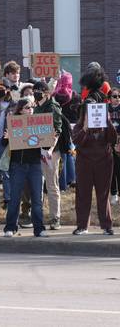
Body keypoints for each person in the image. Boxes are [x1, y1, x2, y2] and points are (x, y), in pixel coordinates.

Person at [2, 98, 47, 238]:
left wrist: (48, 137)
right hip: (18, 165)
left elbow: (45, 145)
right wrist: (8, 137)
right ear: (20, 110)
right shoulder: (13, 123)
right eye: (27, 108)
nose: (30, 110)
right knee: (15, 197)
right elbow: (4, 144)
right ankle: (10, 227)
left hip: (35, 164)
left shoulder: (39, 123)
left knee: (37, 198)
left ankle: (39, 229)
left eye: (31, 107)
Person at [72, 100, 118, 235]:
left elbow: (113, 138)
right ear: (84, 113)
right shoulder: (79, 126)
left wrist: (108, 121)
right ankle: (82, 226)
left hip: (104, 162)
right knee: (83, 194)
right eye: (89, 111)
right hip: (84, 163)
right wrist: (85, 128)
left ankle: (107, 226)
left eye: (96, 111)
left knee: (103, 195)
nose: (93, 114)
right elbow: (77, 142)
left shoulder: (104, 124)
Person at [32, 80, 63, 230]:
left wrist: (49, 149)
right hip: (37, 149)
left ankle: (55, 217)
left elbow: (57, 130)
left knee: (51, 185)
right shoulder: (36, 107)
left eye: (38, 91)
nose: (36, 94)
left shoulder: (53, 107)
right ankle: (38, 217)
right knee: (37, 185)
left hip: (51, 151)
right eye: (34, 91)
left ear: (46, 92)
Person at [54, 71, 80, 192]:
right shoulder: (75, 95)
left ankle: (63, 183)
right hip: (72, 127)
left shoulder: (55, 95)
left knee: (62, 154)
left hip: (60, 126)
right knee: (70, 153)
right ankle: (72, 179)